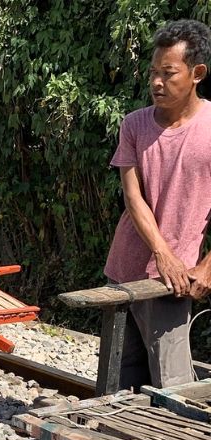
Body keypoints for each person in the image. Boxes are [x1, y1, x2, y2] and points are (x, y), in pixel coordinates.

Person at [104, 19, 211, 390]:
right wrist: (162, 253)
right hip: (124, 268)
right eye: (153, 73)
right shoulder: (134, 125)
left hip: (172, 282)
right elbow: (133, 196)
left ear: (197, 73)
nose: (157, 83)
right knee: (118, 381)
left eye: (168, 73)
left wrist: (207, 265)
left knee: (171, 385)